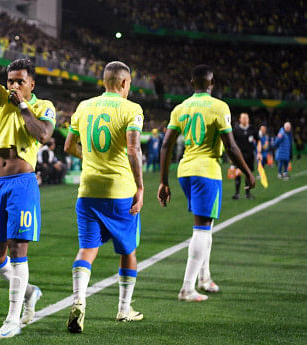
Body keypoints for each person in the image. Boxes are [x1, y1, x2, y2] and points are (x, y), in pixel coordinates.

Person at [0, 13, 56, 339]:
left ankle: (13, 318)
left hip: (22, 183)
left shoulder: (43, 106)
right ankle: (29, 292)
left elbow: (44, 136)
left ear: (32, 83)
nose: (13, 85)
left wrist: (23, 108)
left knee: (18, 249)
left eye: (20, 81)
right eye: (11, 80)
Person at [158, 65, 255, 302]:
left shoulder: (180, 108)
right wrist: (248, 172)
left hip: (185, 171)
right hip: (206, 172)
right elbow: (231, 147)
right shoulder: (219, 107)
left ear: (192, 83)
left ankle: (205, 278)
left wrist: (163, 182)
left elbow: (166, 145)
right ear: (212, 84)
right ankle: (187, 288)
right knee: (202, 228)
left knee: (206, 225)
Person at [64, 61, 145, 333]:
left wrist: (89, 159)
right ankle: (124, 309)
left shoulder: (84, 106)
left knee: (87, 248)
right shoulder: (131, 108)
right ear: (124, 83)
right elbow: (133, 150)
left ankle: (78, 300)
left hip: (87, 190)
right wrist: (140, 187)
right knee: (128, 250)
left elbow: (68, 146)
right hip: (119, 190)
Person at [232, 113, 259, 200]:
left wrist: (259, 152)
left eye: (246, 118)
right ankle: (237, 193)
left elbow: (258, 141)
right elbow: (232, 143)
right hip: (239, 156)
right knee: (238, 173)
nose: (245, 119)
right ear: (240, 119)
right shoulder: (236, 130)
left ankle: (247, 194)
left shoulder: (252, 129)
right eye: (243, 118)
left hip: (250, 156)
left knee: (248, 174)